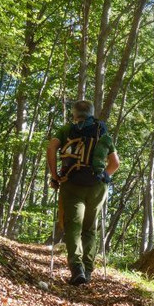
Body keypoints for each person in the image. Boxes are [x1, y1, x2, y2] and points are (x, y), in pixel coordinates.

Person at [46, 100, 119, 285]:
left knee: (73, 226)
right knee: (89, 229)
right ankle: (87, 270)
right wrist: (104, 176)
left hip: (72, 183)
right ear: (92, 113)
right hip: (97, 187)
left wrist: (55, 176)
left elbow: (51, 147)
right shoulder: (100, 131)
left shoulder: (67, 130)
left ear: (74, 113)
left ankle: (76, 268)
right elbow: (115, 163)